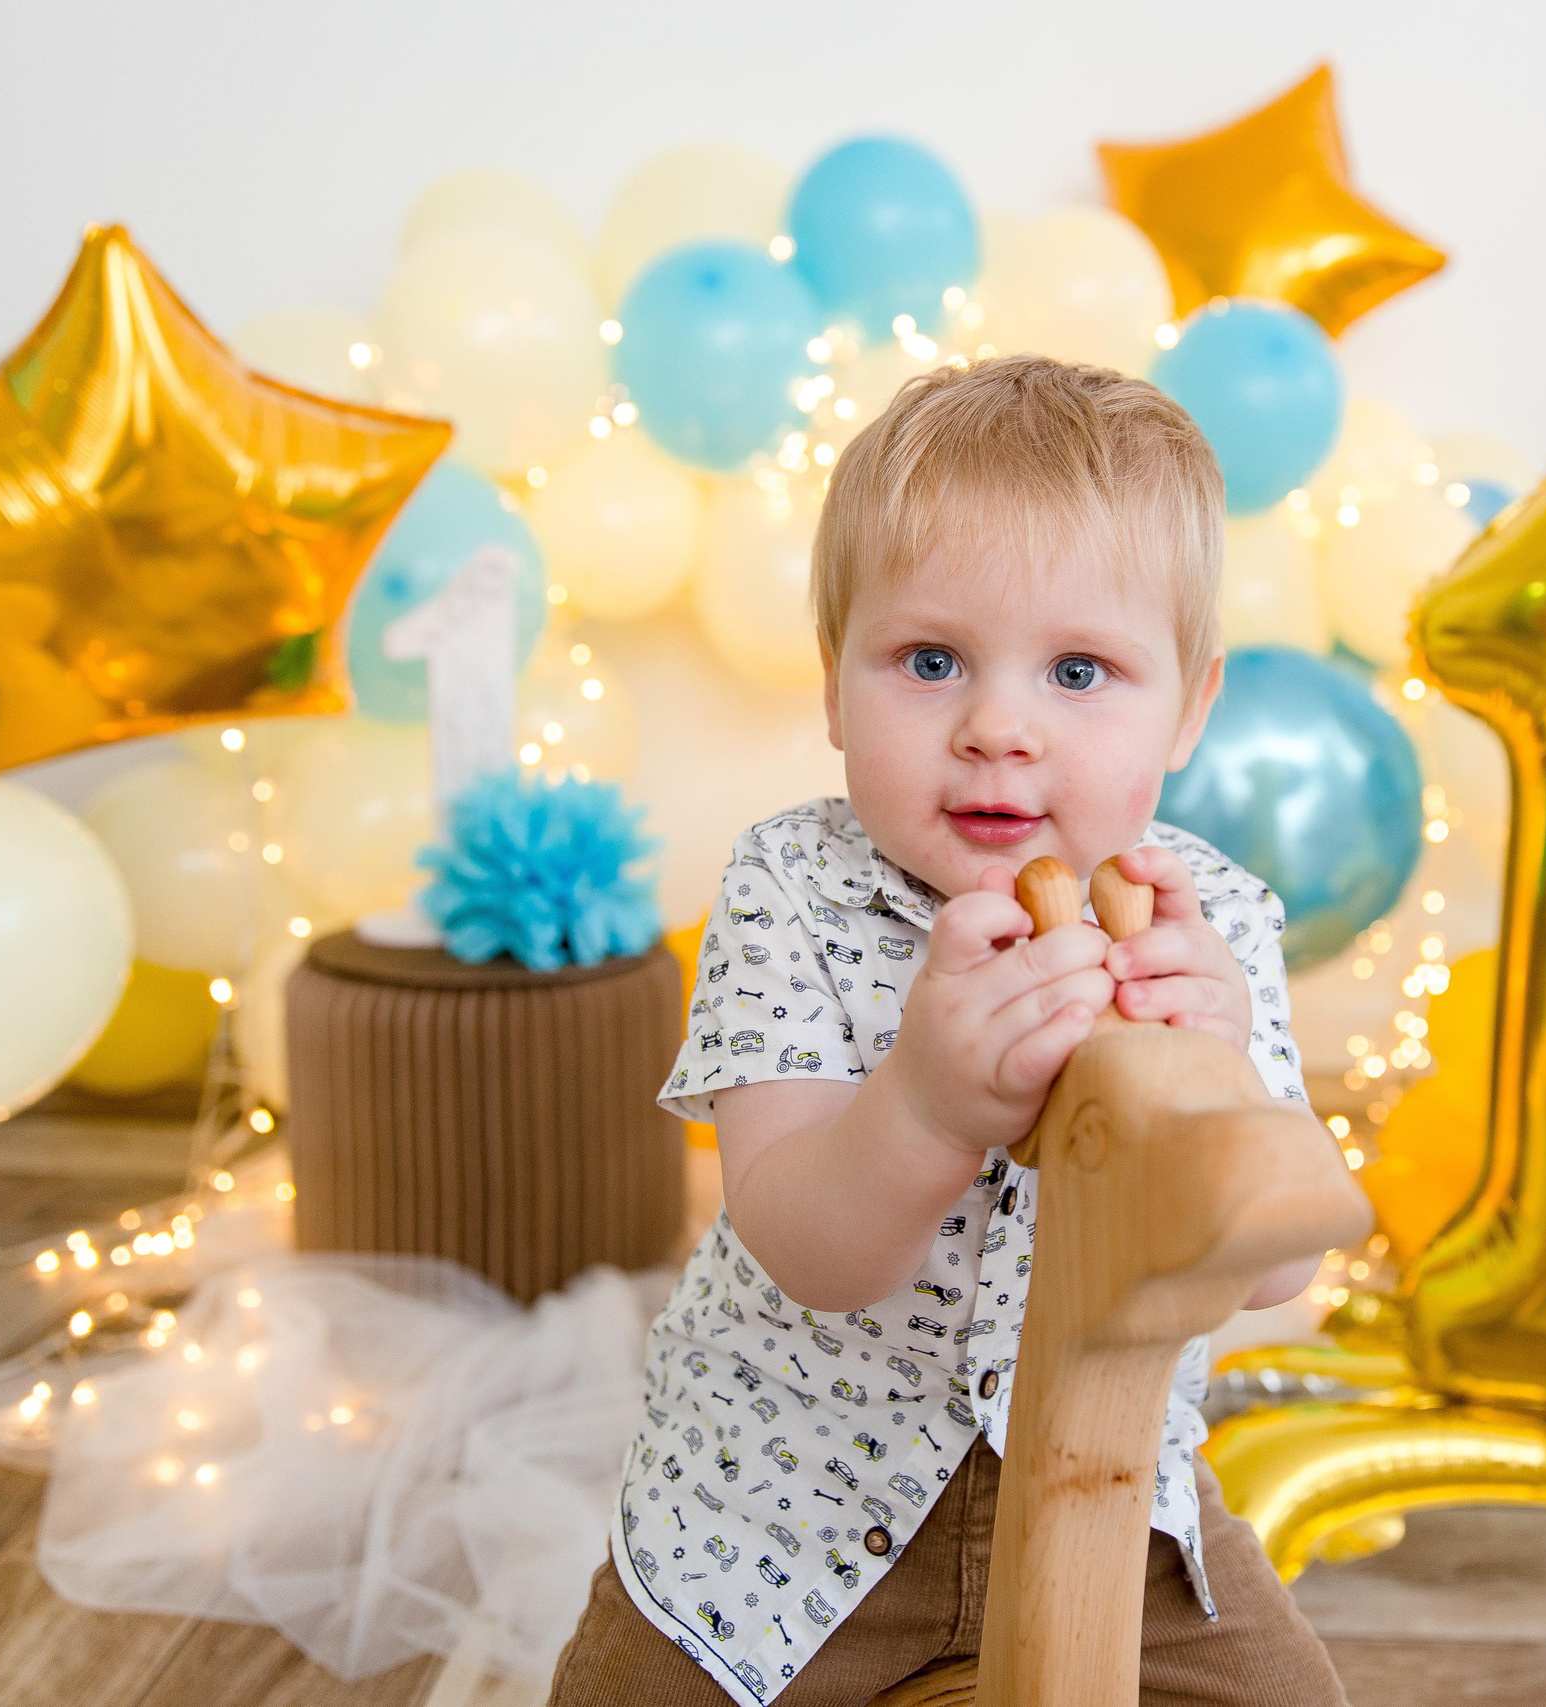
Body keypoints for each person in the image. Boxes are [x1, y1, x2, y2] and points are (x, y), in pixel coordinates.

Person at [548, 355, 1348, 1707]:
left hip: (1118, 1513)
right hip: (777, 1528)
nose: (996, 729)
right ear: (832, 683)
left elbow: (1273, 1278)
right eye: (930, 662)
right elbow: (810, 1249)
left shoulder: (1205, 919)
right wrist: (923, 1106)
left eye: (1080, 671)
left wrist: (1228, 1074)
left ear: (1191, 708)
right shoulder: (793, 889)